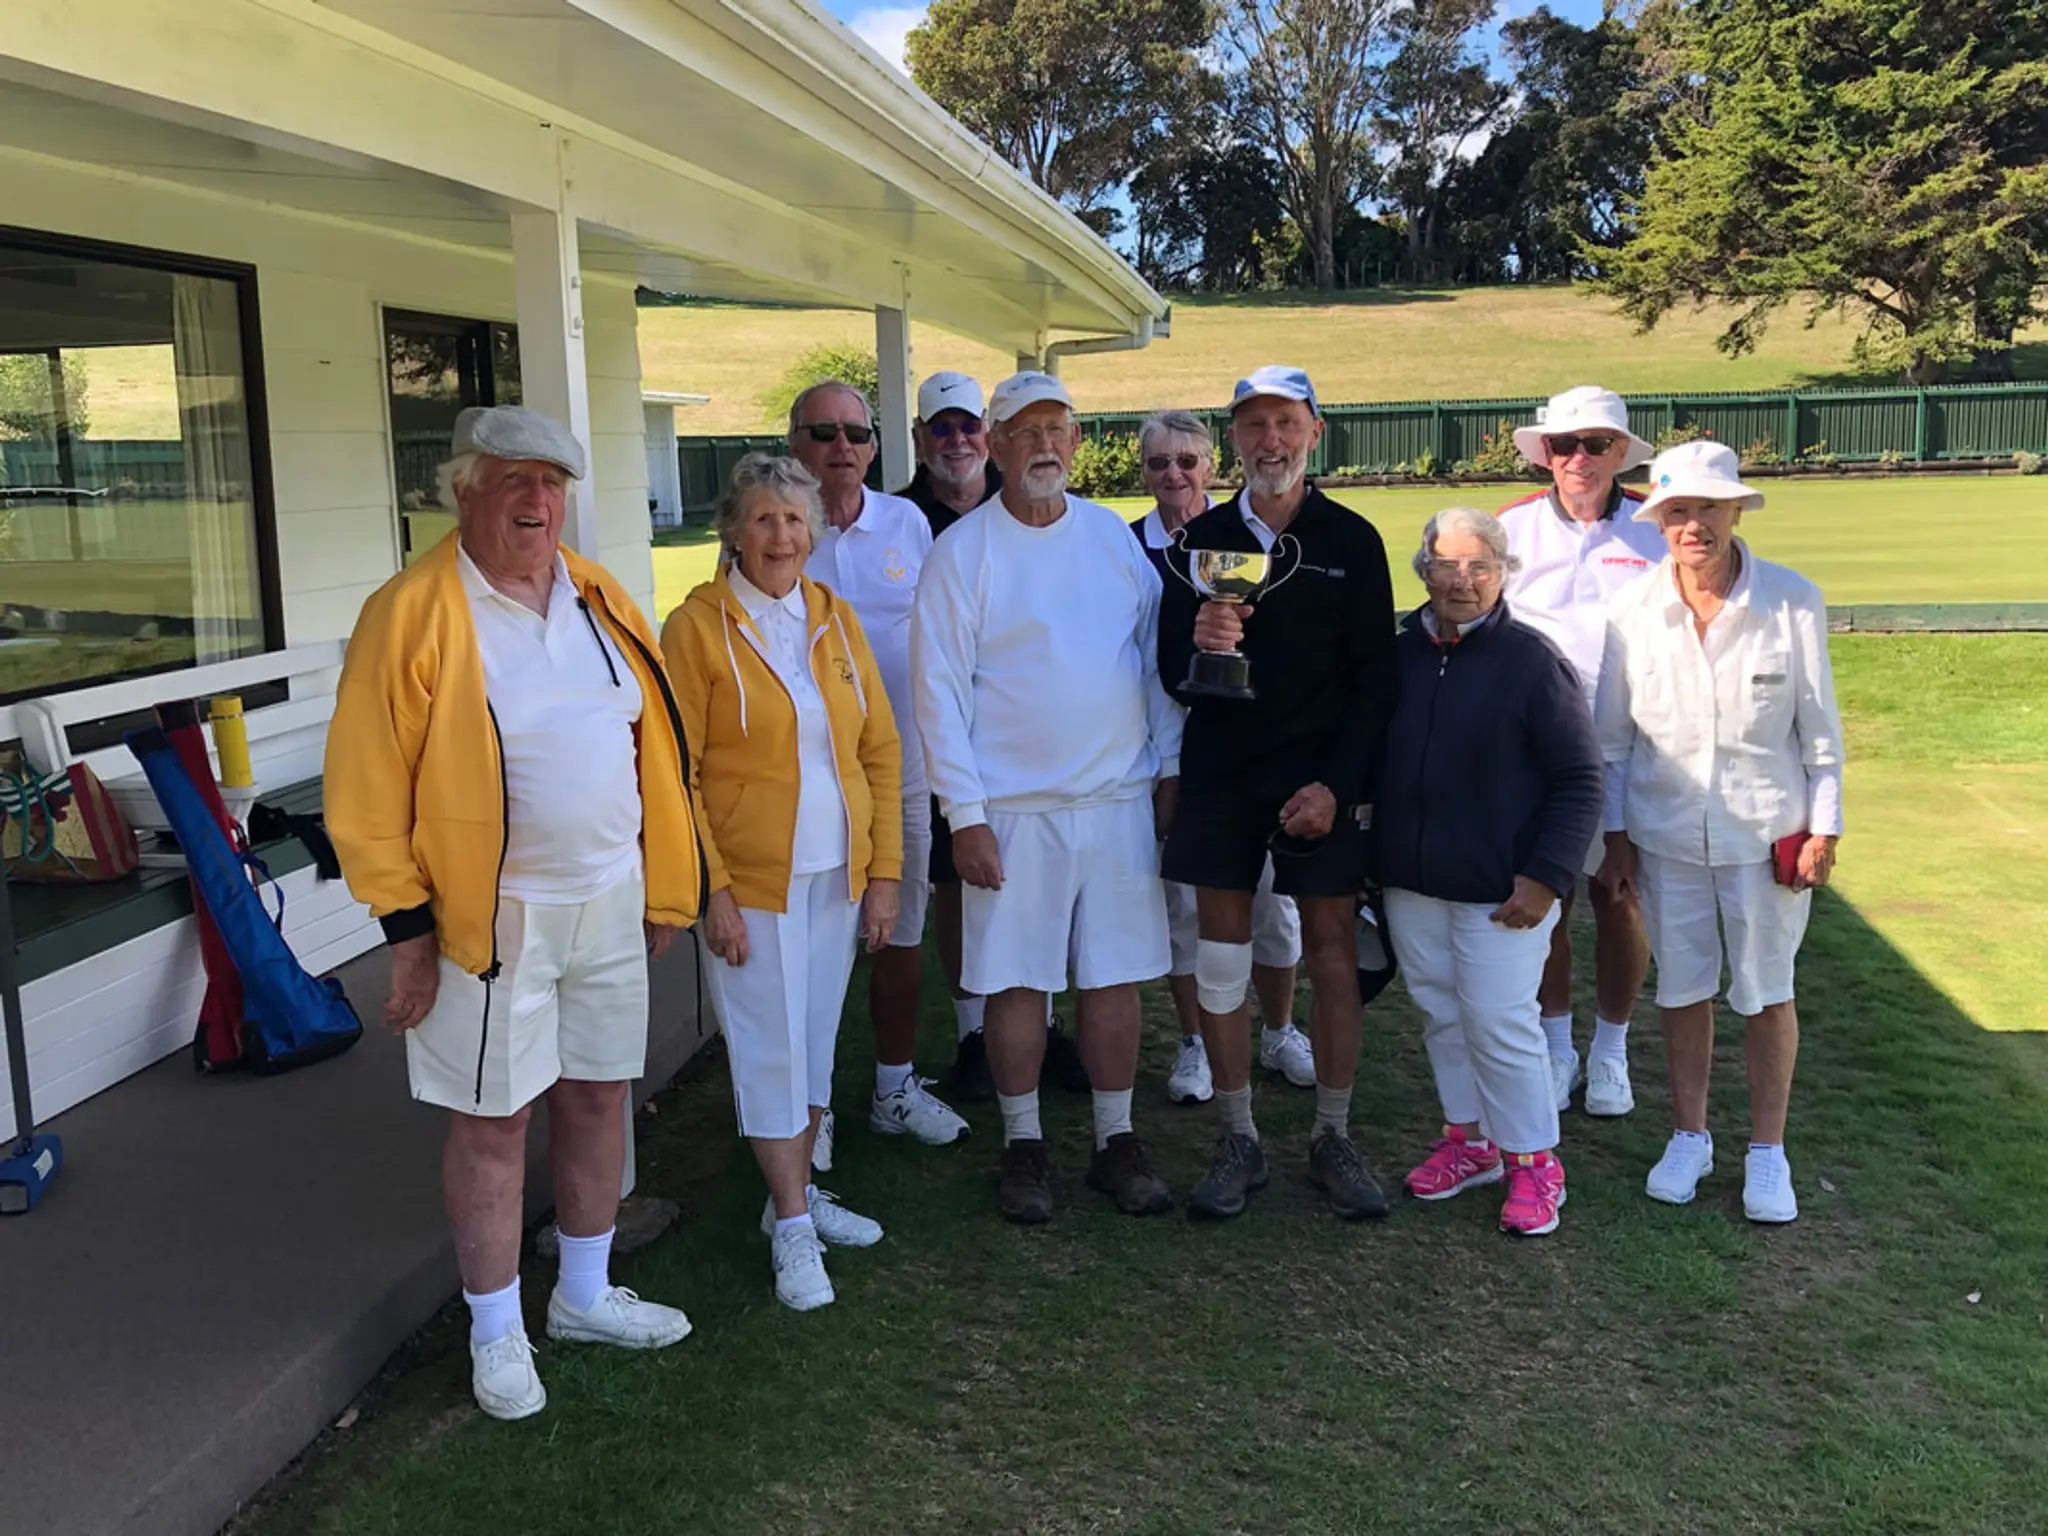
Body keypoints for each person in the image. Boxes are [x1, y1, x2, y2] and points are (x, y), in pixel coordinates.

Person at [326, 405, 701, 1421]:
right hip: (490, 923)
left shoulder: (597, 596)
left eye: (552, 483)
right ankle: (496, 1332)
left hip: (611, 902)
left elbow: (651, 749)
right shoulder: (410, 611)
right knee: (493, 1122)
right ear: (462, 491)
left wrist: (664, 885)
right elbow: (363, 794)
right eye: (511, 481)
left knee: (595, 1098)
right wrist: (407, 939)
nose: (537, 501)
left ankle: (581, 1295)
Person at [913, 372, 1180, 1224]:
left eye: (1058, 430)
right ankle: (1023, 1144)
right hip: (1013, 813)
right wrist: (967, 816)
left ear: (1075, 441)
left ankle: (1115, 1140)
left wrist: (1168, 770)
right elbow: (938, 696)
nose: (1044, 447)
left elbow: (1150, 668)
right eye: (1025, 433)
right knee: (1017, 982)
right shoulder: (963, 554)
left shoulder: (1111, 540)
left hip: (1115, 802)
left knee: (1114, 977)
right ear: (993, 446)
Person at [1158, 366, 1400, 1222]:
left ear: (1314, 432)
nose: (1270, 441)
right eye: (1254, 425)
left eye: (1285, 424)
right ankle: (1239, 1137)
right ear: (1235, 439)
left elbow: (1379, 683)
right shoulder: (1204, 538)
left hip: (1319, 782)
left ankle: (1332, 1135)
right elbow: (1171, 674)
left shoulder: (1354, 540)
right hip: (1225, 777)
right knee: (1221, 956)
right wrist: (1201, 639)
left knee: (1331, 950)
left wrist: (1338, 787)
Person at [661, 453, 903, 1308]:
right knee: (768, 1047)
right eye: (763, 519)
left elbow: (877, 749)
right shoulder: (694, 630)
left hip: (835, 872)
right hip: (751, 885)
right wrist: (710, 890)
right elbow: (673, 772)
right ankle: (795, 1227)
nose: (781, 536)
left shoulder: (833, 619)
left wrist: (884, 872)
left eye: (795, 521)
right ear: (732, 530)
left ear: (816, 533)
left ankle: (787, 1201)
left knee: (811, 1041)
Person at [1594, 440, 1845, 1224]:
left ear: (1735, 510)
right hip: (1666, 835)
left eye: (1707, 507)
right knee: (1682, 988)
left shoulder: (1794, 601)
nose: (1692, 524)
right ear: (1657, 520)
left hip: (1767, 832)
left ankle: (1767, 1152)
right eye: (1676, 510)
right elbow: (1612, 743)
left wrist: (1824, 828)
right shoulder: (1629, 611)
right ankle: (1690, 1135)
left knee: (1767, 991)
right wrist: (1617, 837)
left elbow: (1821, 739)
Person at [1372, 508, 1603, 1237]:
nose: (1462, 580)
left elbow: (1579, 779)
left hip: (1504, 889)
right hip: (1412, 880)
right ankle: (1470, 1143)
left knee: (1502, 1022)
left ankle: (1536, 1161)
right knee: (1442, 1013)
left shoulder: (1534, 662)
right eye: (1447, 564)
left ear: (1502, 574)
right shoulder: (1398, 652)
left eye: (1480, 566)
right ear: (1424, 571)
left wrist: (1547, 875)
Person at [893, 371, 1087, 1103]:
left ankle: (1041, 1026)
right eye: (941, 428)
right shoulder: (908, 520)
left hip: (1036, 755)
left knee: (1041, 898)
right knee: (957, 884)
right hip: (949, 750)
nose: (957, 440)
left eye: (967, 425)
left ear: (988, 436)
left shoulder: (1051, 515)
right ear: (921, 440)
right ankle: (975, 1029)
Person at [787, 380, 969, 1156]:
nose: (843, 449)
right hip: (811, 772)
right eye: (824, 434)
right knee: (818, 944)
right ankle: (809, 1109)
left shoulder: (908, 522)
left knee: (900, 935)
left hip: (903, 765)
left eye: (857, 435)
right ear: (796, 443)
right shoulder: (780, 526)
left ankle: (893, 1087)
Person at [1129, 409, 1311, 1106]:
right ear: (1143, 473)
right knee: (1184, 909)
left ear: (1211, 466)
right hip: (1171, 751)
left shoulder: (1247, 539)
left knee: (1271, 903)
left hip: (1255, 748)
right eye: (1158, 463)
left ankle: (1281, 1029)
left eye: (1186, 461)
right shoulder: (1127, 549)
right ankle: (1195, 1040)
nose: (1173, 474)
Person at [1500, 386, 1665, 1118]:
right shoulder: (1511, 530)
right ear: (1546, 455)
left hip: (1636, 749)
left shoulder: (1657, 532)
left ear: (1620, 453)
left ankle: (1610, 1050)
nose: (1578, 459)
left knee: (1621, 898)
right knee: (1548, 900)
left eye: (1595, 444)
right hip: (1535, 753)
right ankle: (1558, 1045)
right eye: (1564, 446)